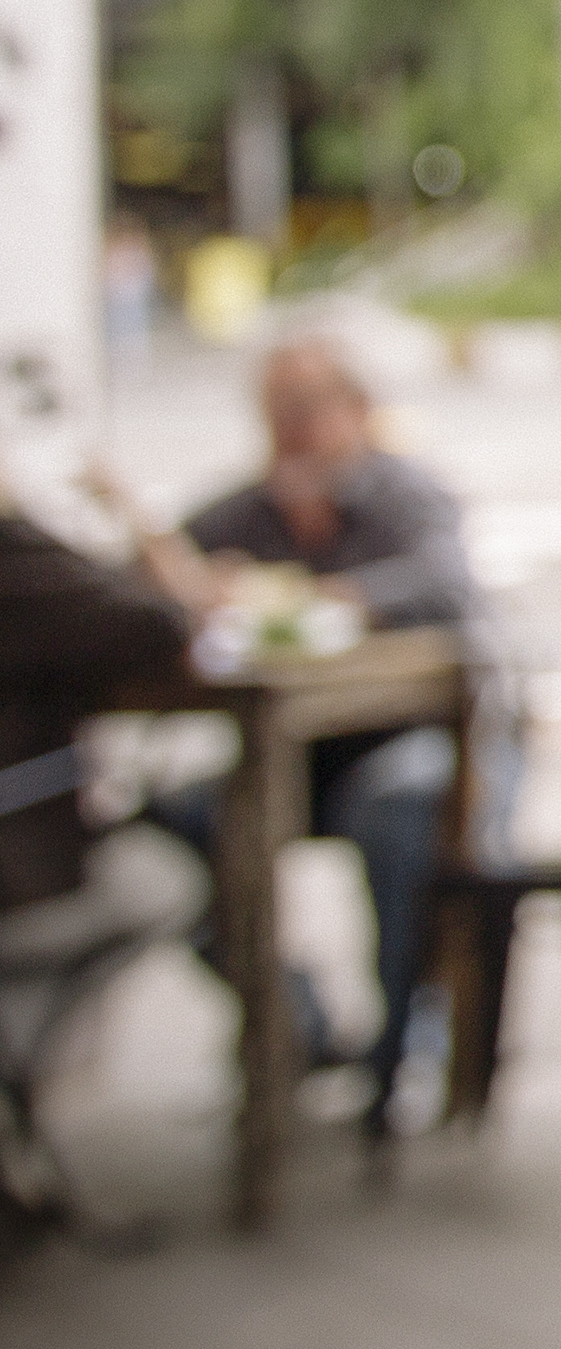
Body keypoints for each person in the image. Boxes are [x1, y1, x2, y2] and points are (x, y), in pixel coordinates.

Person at [109, 334, 509, 1133]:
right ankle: (292, 1017)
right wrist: (187, 584)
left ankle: (400, 1053)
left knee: (395, 814)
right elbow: (146, 570)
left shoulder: (405, 495)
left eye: (309, 408)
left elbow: (446, 581)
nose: (292, 429)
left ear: (357, 411)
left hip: (422, 741)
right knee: (171, 821)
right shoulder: (252, 507)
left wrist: (336, 595)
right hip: (300, 751)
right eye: (276, 412)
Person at [0, 482, 212, 1222]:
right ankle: (19, 1099)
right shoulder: (17, 560)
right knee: (165, 880)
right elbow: (156, 623)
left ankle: (17, 1114)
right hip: (17, 876)